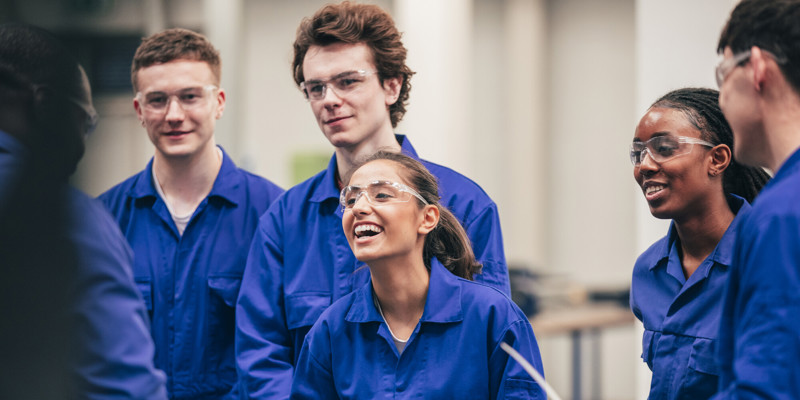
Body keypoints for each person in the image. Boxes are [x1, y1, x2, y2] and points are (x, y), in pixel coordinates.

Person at [236, 2, 510, 397]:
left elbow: (492, 345)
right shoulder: (284, 220)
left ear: (391, 85)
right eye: (316, 88)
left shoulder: (464, 205)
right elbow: (260, 356)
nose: (328, 99)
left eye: (348, 81)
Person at [98, 28, 283, 399]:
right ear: (138, 110)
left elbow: (284, 347)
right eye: (157, 100)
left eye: (189, 97)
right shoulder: (102, 220)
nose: (174, 115)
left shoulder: (274, 214)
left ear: (219, 102)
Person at [290, 150, 544, 399]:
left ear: (427, 218)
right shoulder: (331, 330)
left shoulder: (494, 318)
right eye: (352, 199)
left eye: (381, 195)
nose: (359, 208)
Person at [0, 23, 167, 399]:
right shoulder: (67, 219)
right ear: (46, 106)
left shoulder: (264, 207)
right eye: (85, 123)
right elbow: (125, 385)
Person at [628, 88, 769, 399]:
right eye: (638, 153)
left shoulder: (770, 261)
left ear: (716, 159)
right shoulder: (648, 272)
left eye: (664, 148)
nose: (645, 166)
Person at [713, 0, 800, 397]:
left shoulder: (780, 213)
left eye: (723, 75)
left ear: (759, 68)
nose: (721, 101)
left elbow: (766, 388)